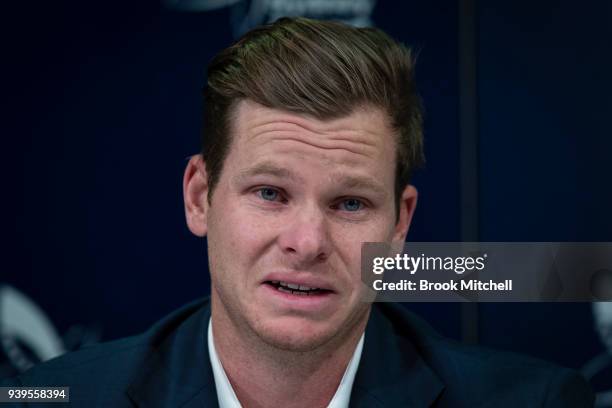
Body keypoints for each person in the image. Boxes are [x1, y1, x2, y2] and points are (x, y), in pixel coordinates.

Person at [1, 17, 593, 407]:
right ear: (199, 197)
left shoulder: (533, 402)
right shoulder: (62, 398)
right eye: (270, 193)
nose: (307, 241)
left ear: (401, 224)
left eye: (350, 202)